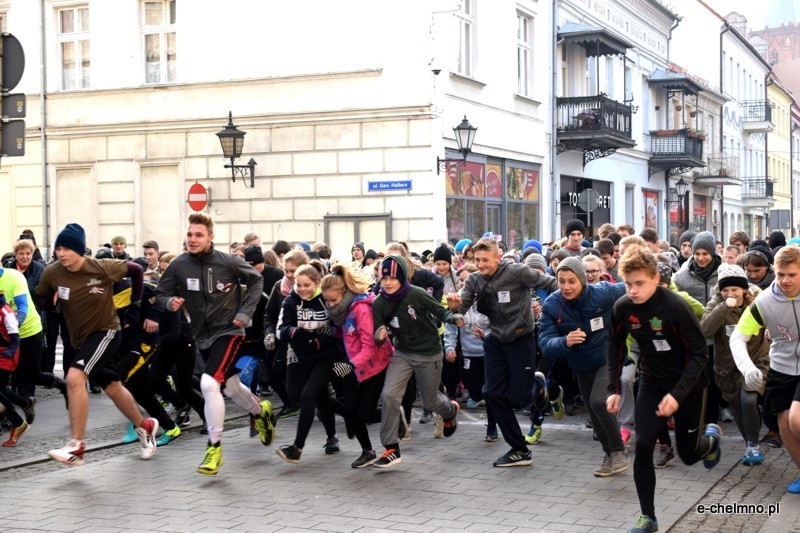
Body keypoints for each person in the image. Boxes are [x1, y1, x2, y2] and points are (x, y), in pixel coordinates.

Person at [607, 245, 721, 533]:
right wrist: (614, 388)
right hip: (652, 382)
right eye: (628, 284)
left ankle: (711, 440)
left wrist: (677, 395)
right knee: (643, 444)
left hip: (690, 385)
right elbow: (614, 345)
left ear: (656, 278)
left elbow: (700, 354)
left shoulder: (676, 307)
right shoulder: (622, 308)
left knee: (689, 455)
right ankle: (649, 517)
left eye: (639, 283)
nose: (632, 290)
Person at [154, 213, 274, 475]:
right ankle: (260, 412)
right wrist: (169, 302)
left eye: (198, 235)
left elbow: (256, 280)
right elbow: (160, 293)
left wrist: (245, 313)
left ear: (210, 237)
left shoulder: (227, 261)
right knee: (230, 387)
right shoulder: (179, 265)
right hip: (202, 337)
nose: (192, 239)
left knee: (209, 384)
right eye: (189, 234)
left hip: (230, 331)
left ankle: (214, 448)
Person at [35, 223, 159, 465]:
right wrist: (49, 304)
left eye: (67, 249)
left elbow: (136, 271)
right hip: (80, 340)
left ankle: (77, 446)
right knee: (112, 387)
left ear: (79, 250)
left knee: (74, 378)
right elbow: (40, 296)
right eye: (58, 249)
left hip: (106, 332)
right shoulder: (52, 273)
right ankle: (145, 425)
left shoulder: (101, 267)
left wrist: (134, 305)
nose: (61, 254)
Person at [446, 238, 557, 467]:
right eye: (477, 260)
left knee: (519, 399)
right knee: (492, 393)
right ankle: (519, 449)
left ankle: (538, 385)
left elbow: (551, 283)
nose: (480, 264)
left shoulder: (517, 272)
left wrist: (557, 311)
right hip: (495, 340)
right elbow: (459, 311)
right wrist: (454, 308)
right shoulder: (475, 280)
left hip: (521, 339)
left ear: (498, 257)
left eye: (485, 260)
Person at [539, 257, 629, 476]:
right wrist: (565, 341)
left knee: (599, 402)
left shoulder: (603, 293)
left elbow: (632, 287)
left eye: (571, 281)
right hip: (580, 364)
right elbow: (545, 342)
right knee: (594, 411)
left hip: (608, 357)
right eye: (561, 281)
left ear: (582, 279)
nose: (566, 287)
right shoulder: (552, 304)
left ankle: (619, 452)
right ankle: (610, 455)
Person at [373, 255, 463, 468]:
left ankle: (450, 411)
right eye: (384, 278)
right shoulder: (379, 303)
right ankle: (391, 448)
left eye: (393, 278)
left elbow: (440, 311)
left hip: (429, 352)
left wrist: (453, 316)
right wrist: (379, 336)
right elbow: (377, 332)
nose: (388, 283)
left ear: (403, 277)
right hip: (403, 353)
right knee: (389, 395)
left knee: (430, 402)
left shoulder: (417, 294)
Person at [275, 262, 364, 465]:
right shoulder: (290, 301)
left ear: (317, 283)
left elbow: (338, 329)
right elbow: (282, 328)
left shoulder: (326, 299)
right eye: (298, 285)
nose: (302, 289)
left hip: (326, 355)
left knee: (308, 395)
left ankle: (297, 448)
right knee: (303, 395)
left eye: (307, 285)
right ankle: (350, 416)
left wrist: (319, 340)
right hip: (300, 354)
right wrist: (294, 332)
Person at [730, 245, 800, 493]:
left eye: (792, 275)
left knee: (796, 418)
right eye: (780, 274)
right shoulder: (764, 302)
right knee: (784, 425)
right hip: (781, 368)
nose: (785, 280)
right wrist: (747, 368)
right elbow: (737, 337)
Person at [320, 263, 393, 467]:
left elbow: (369, 347)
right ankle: (367, 451)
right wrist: (332, 332)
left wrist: (350, 366)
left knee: (366, 413)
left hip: (373, 364)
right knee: (351, 411)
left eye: (333, 300)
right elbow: (350, 335)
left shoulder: (361, 308)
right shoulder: (342, 311)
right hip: (353, 362)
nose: (330, 305)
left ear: (344, 293)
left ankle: (396, 415)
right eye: (327, 301)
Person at [700, 264, 769, 466]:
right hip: (727, 368)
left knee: (748, 399)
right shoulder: (716, 304)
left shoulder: (757, 302)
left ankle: (753, 444)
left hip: (756, 362)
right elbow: (704, 331)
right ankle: (750, 445)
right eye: (725, 290)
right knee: (738, 406)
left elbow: (774, 321)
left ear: (744, 289)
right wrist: (723, 308)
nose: (730, 294)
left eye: (734, 289)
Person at [0, 293, 28, 447]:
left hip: (6, 355)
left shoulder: (6, 312)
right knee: (2, 389)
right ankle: (23, 404)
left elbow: (14, 336)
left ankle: (17, 422)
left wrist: (11, 350)